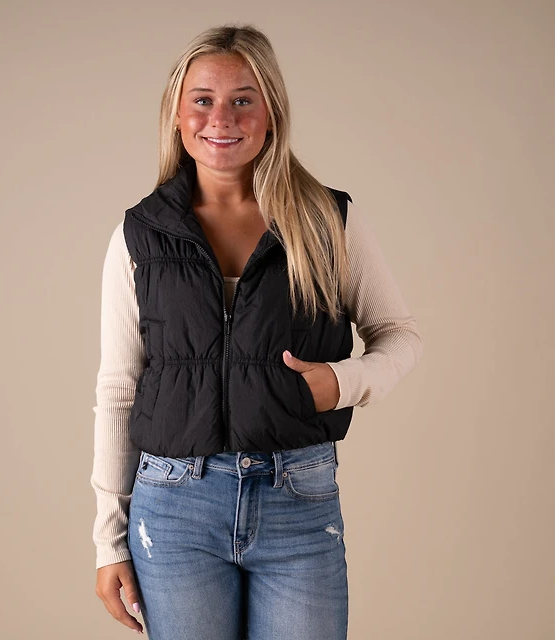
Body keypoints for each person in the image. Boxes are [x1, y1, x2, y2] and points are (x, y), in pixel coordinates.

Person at [91, 23, 423, 639]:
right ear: (177, 114)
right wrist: (109, 540)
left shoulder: (326, 221)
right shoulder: (139, 234)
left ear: (271, 113)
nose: (222, 118)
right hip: (174, 508)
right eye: (203, 99)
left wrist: (343, 382)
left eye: (243, 99)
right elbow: (119, 391)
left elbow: (399, 334)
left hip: (298, 500)